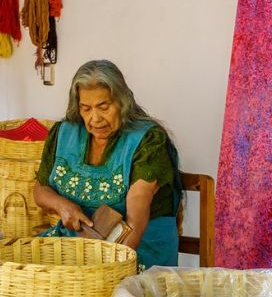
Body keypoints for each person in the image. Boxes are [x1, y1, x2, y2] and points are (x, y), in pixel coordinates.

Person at [34, 59, 182, 269]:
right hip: (79, 244)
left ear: (122, 102)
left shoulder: (147, 141)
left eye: (104, 107)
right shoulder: (64, 133)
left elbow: (135, 217)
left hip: (138, 247)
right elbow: (40, 190)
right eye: (86, 108)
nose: (94, 118)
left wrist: (107, 269)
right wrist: (62, 206)